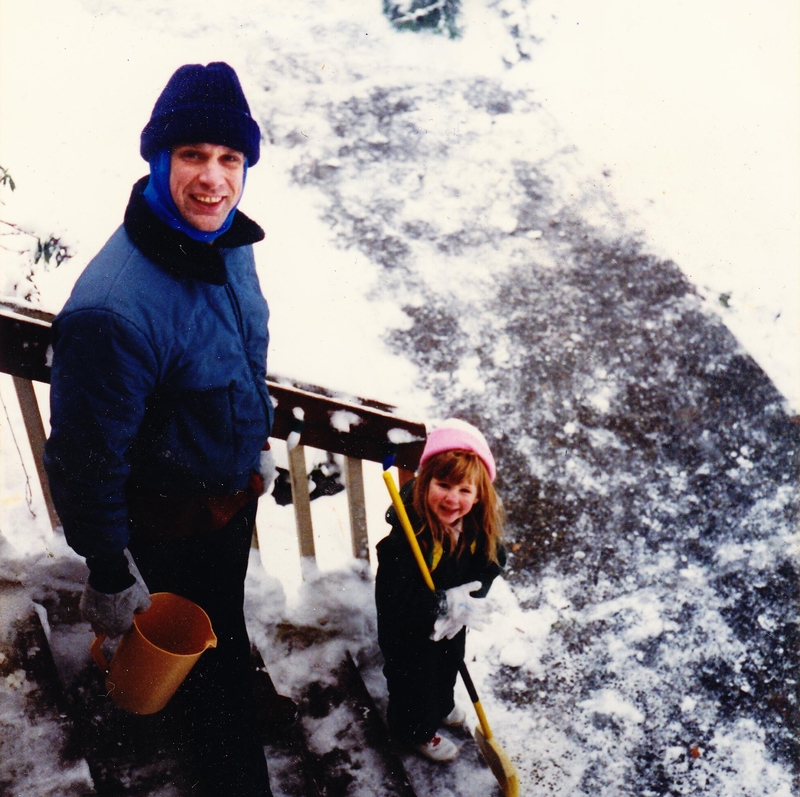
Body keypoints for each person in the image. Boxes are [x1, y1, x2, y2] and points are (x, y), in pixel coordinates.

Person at [44, 62, 284, 796]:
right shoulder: (116, 309)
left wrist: (255, 442)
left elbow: (244, 350)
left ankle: (216, 689)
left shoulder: (228, 244)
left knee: (223, 631)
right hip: (165, 525)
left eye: (229, 159)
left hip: (221, 502)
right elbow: (87, 459)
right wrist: (112, 570)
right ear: (157, 160)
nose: (214, 179)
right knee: (200, 669)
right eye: (192, 156)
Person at [375, 419, 506, 762]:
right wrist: (439, 604)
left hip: (451, 626)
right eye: (444, 484)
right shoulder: (407, 536)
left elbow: (492, 563)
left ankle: (443, 703)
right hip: (409, 634)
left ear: (479, 495)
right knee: (413, 686)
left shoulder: (477, 528)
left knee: (448, 665)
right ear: (425, 482)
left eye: (465, 490)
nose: (452, 498)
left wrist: (470, 599)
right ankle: (414, 732)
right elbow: (393, 598)